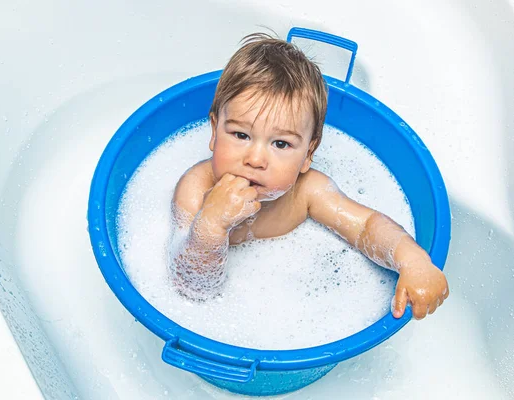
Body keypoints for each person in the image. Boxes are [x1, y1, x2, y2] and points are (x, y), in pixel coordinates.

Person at [169, 32, 448, 320]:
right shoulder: (195, 189)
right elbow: (192, 288)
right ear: (214, 131)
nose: (255, 159)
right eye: (241, 134)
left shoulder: (306, 191)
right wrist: (210, 226)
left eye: (281, 144)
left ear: (308, 154)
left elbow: (366, 227)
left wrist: (412, 260)